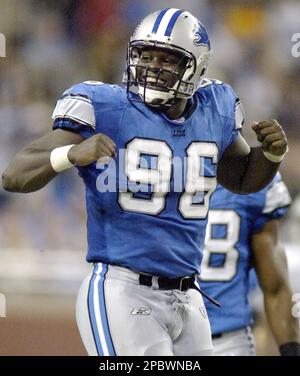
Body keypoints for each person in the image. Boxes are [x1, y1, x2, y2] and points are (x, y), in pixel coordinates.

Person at [2, 8, 288, 356]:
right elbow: (14, 175)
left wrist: (270, 155)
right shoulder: (104, 106)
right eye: (145, 56)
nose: (152, 67)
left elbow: (242, 180)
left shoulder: (217, 107)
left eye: (167, 60)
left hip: (188, 295)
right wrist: (68, 156)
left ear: (195, 67)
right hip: (124, 290)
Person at [199, 173, 300, 356]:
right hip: (158, 332)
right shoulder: (155, 173)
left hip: (227, 341)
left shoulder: (254, 179)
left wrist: (291, 351)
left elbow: (276, 289)